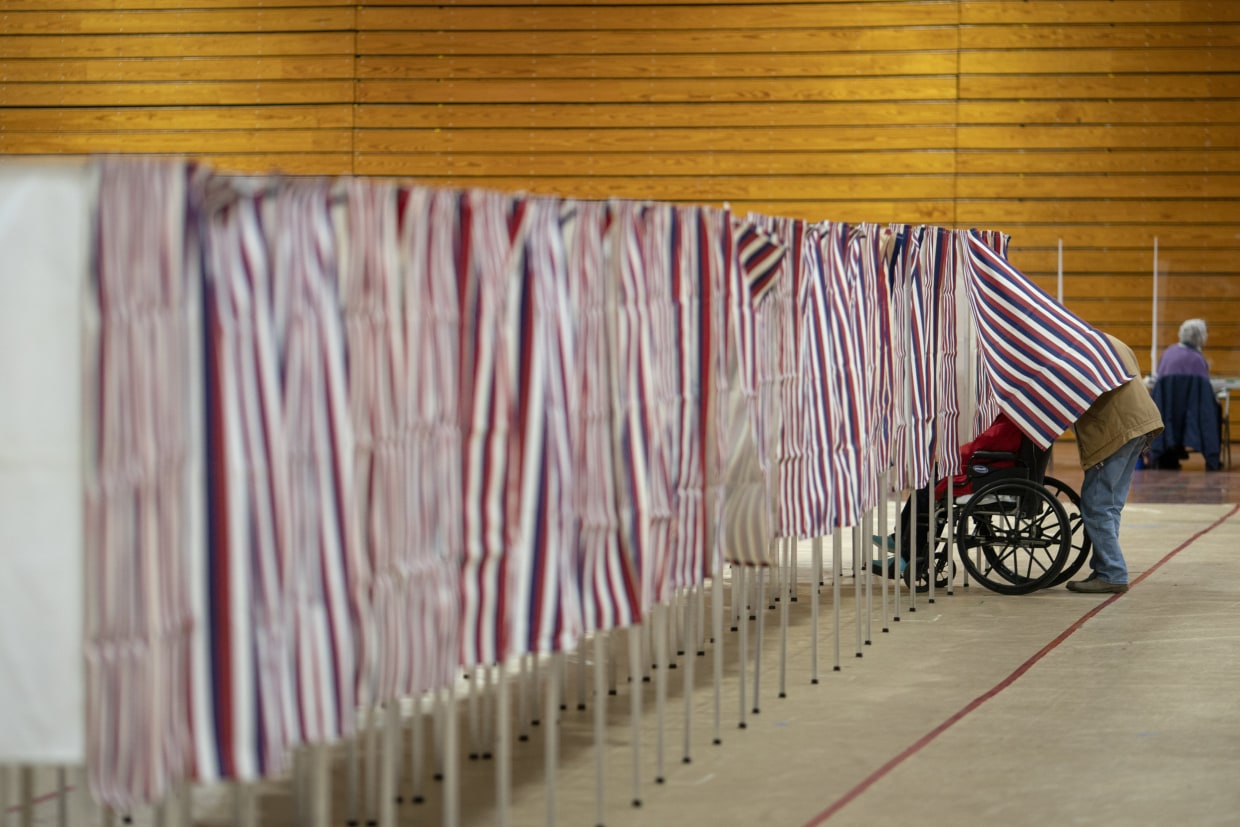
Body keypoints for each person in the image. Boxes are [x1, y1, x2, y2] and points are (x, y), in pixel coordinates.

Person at [1066, 333, 1164, 594]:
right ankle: (1104, 568)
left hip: (1116, 429)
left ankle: (1112, 572)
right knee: (1109, 504)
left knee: (1096, 502)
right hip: (1140, 422)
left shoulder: (1076, 351)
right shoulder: (1110, 341)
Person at [872, 411, 1024, 577]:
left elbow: (980, 447)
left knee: (927, 489)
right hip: (995, 470)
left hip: (989, 474)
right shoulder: (1024, 422)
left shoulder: (1013, 421)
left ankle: (908, 556)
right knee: (930, 479)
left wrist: (952, 455)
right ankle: (901, 540)